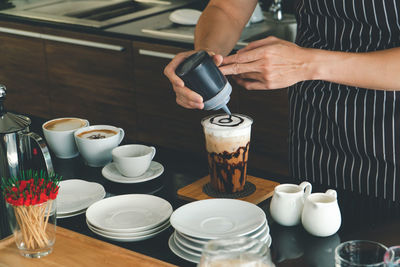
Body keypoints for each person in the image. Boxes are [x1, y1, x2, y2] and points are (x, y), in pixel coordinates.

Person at [164, 0, 400, 202]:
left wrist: (306, 64)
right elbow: (227, 8)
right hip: (317, 125)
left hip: (388, 133)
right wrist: (205, 59)